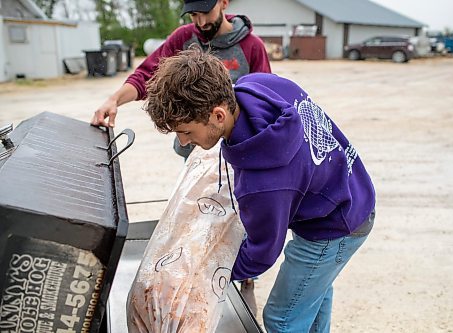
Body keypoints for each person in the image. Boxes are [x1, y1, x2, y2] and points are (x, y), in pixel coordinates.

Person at [143, 46, 376, 332]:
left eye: (187, 132)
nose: (183, 141)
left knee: (283, 318)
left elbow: (263, 252)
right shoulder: (257, 86)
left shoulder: (264, 185)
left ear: (218, 115)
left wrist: (210, 273)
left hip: (335, 226)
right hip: (352, 187)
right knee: (310, 297)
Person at [90, 0, 271, 159]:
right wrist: (114, 100)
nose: (201, 22)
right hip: (194, 146)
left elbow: (263, 98)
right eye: (194, 14)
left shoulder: (252, 46)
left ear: (224, 2)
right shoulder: (183, 38)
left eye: (206, 12)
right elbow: (147, 75)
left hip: (236, 147)